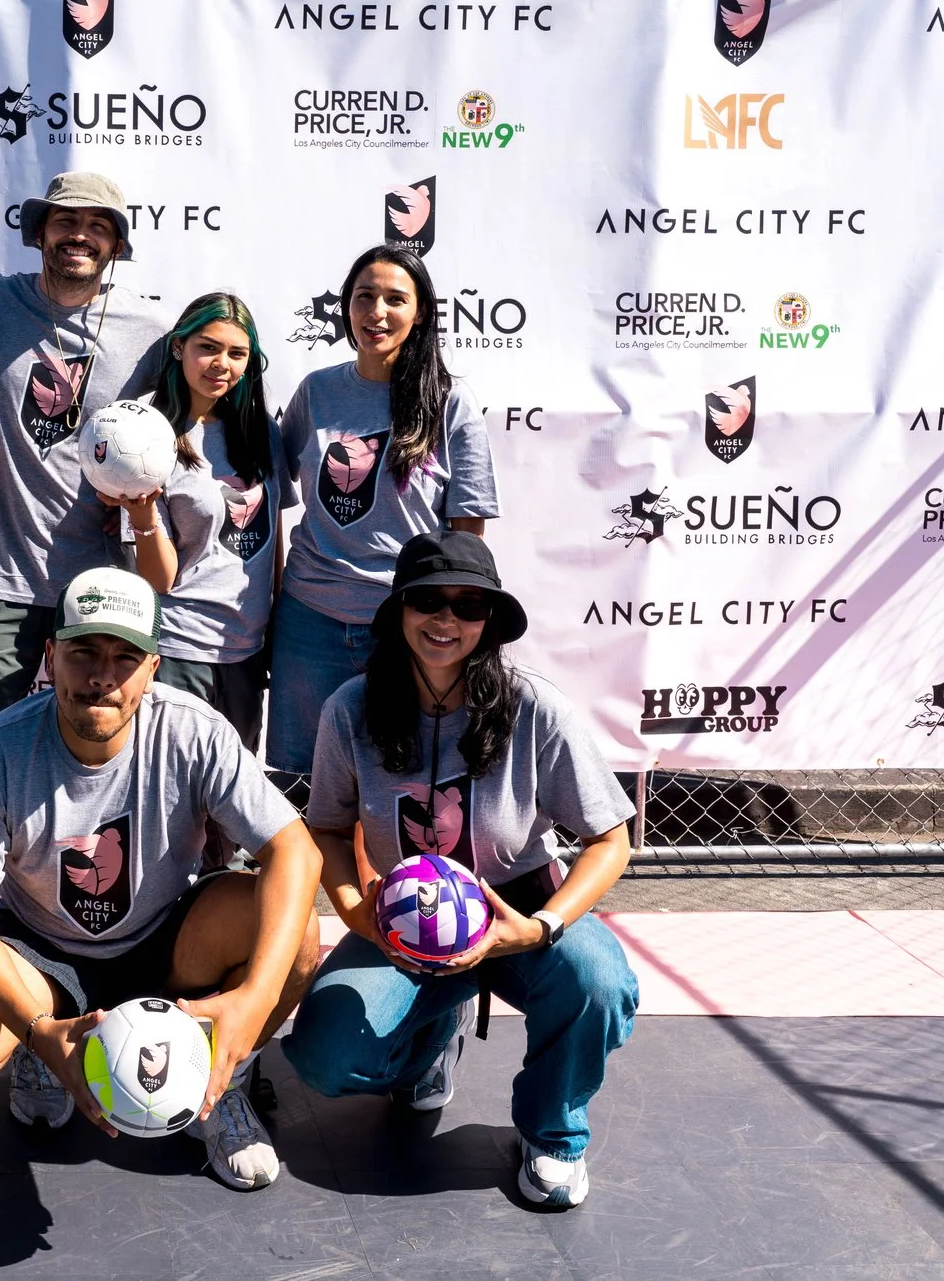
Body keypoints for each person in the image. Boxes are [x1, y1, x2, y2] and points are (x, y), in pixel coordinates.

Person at [0, 566, 324, 1192]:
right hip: (40, 952)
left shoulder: (192, 731)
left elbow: (297, 852)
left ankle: (220, 1082)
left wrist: (253, 1002)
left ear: (153, 669)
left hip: (166, 941)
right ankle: (44, 1051)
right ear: (50, 656)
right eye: (84, 652)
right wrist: (40, 1033)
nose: (102, 675)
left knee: (298, 943)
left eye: (125, 657)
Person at [282, 531, 637, 1212]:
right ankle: (430, 1041)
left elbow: (610, 838)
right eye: (428, 601)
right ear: (399, 612)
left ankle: (554, 1135)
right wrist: (356, 909)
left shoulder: (538, 709)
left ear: (491, 621)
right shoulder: (349, 709)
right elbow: (325, 825)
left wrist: (541, 926)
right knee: (323, 1058)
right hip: (405, 917)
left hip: (517, 905)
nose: (446, 620)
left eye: (468, 605)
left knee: (599, 981)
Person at [0, 172, 171, 734]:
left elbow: (210, 395)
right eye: (66, 220)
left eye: (98, 226)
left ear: (117, 246)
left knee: (97, 741)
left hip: (104, 582)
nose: (80, 235)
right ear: (39, 233)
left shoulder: (152, 331)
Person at [269, 245, 498, 773]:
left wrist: (449, 620)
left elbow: (467, 539)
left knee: (397, 775)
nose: (377, 312)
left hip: (405, 626)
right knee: (310, 779)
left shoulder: (450, 402)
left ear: (420, 313)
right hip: (309, 620)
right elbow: (271, 498)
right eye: (364, 297)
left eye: (395, 299)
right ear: (346, 308)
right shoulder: (316, 391)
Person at [106, 292, 280, 748]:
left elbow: (271, 539)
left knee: (233, 802)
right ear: (179, 347)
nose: (221, 363)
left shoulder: (261, 431)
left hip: (246, 649)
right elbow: (159, 580)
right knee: (176, 798)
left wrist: (274, 623)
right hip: (180, 649)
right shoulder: (146, 436)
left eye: (236, 353)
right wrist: (143, 517)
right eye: (208, 347)